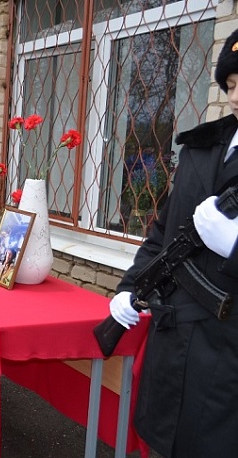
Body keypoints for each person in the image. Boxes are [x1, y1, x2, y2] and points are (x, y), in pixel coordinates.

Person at [108, 29, 238, 457]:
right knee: (164, 441)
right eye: (231, 85)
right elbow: (164, 234)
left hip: (227, 355)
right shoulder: (203, 149)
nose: (236, 96)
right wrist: (129, 286)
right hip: (175, 335)